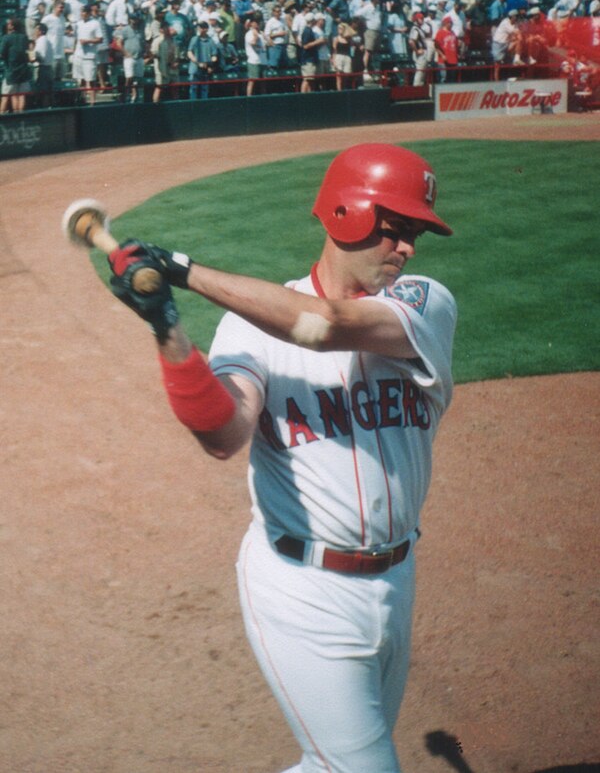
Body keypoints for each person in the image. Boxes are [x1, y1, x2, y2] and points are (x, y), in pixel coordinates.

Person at [106, 143, 456, 773]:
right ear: (347, 214)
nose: (408, 250)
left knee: (334, 763)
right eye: (396, 230)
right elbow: (222, 431)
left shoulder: (427, 303)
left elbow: (323, 324)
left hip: (397, 579)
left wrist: (182, 270)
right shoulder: (247, 329)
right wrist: (168, 330)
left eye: (415, 235)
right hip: (300, 590)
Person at [0, 18, 32, 113]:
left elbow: (1, 54)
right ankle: (20, 118)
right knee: (21, 95)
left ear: (12, 26)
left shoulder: (6, 38)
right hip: (23, 72)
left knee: (6, 97)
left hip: (11, 72)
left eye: (9, 23)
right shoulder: (24, 38)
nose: (7, 25)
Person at [187, 20, 219, 99]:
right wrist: (198, 63)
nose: (200, 29)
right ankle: (193, 106)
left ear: (206, 29)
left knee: (204, 89)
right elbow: (189, 53)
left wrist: (210, 66)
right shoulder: (194, 39)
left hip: (205, 69)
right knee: (193, 88)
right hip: (195, 69)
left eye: (201, 27)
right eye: (199, 27)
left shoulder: (211, 41)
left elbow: (214, 55)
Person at [408, 10, 428, 86]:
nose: (422, 20)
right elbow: (411, 41)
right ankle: (416, 88)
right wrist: (416, 51)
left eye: (423, 18)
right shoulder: (415, 29)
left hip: (423, 52)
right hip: (420, 53)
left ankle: (420, 87)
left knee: (422, 72)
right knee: (420, 71)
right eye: (421, 18)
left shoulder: (419, 29)